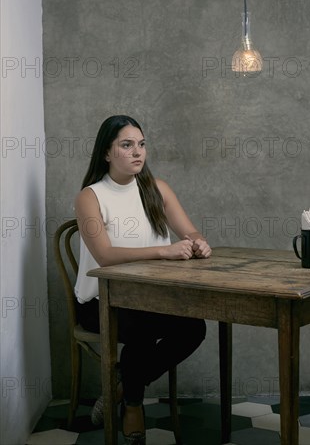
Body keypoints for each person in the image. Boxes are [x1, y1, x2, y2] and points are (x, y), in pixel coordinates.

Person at [74, 115, 211, 445]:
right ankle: (133, 405)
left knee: (195, 327)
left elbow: (189, 230)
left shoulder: (157, 189)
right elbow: (105, 255)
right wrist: (162, 253)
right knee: (145, 329)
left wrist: (198, 241)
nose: (137, 152)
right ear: (106, 153)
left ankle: (120, 386)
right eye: (126, 145)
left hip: (152, 298)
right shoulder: (90, 197)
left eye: (141, 144)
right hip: (100, 304)